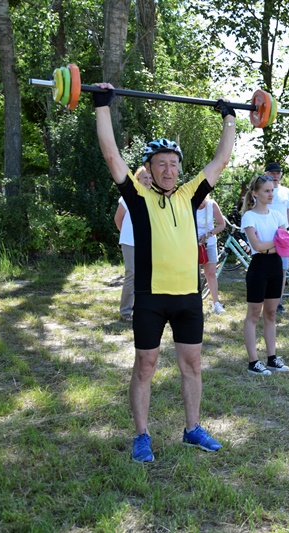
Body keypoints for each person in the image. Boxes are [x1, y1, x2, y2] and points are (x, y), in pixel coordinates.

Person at [93, 82, 236, 462]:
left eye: (174, 164)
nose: (169, 170)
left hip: (189, 297)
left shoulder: (191, 194)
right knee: (146, 365)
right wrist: (102, 105)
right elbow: (111, 155)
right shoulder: (138, 198)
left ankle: (192, 429)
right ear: (150, 170)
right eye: (162, 164)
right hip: (151, 298)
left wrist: (229, 118)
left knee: (192, 364)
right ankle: (142, 436)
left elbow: (220, 161)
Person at [240, 175, 289, 376]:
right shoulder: (249, 217)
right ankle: (253, 362)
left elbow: (284, 243)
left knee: (271, 313)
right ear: (255, 193)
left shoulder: (278, 215)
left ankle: (272, 359)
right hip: (259, 266)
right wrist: (276, 241)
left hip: (275, 265)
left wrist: (272, 243)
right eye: (266, 191)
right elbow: (257, 246)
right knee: (253, 314)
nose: (271, 194)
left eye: (272, 190)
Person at [114, 166, 152, 321]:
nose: (148, 181)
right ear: (138, 179)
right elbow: (118, 219)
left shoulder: (154, 197)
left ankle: (144, 309)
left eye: (150, 178)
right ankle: (125, 312)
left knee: (147, 276)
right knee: (132, 274)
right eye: (145, 178)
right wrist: (128, 234)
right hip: (130, 242)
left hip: (147, 243)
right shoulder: (128, 197)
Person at [263, 162, 289, 314]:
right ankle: (264, 301)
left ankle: (278, 302)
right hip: (266, 236)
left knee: (282, 271)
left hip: (283, 237)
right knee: (265, 270)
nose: (276, 176)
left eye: (278, 173)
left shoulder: (285, 192)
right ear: (266, 174)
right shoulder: (262, 191)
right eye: (273, 173)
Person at [196, 194, 226, 314]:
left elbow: (221, 224)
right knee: (193, 274)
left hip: (209, 243)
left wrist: (208, 234)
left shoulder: (211, 204)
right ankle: (195, 303)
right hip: (191, 243)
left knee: (211, 273)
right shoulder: (188, 203)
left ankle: (216, 303)